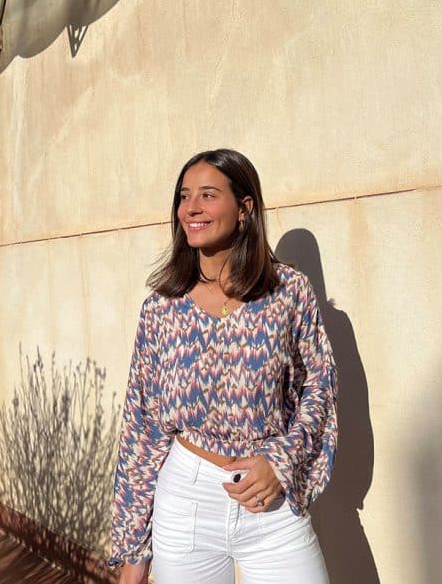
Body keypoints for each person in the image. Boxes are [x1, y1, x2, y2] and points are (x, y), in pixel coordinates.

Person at [109, 149, 338, 584]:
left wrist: (283, 461)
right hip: (187, 501)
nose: (191, 208)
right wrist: (133, 545)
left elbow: (319, 387)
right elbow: (141, 426)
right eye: (184, 196)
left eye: (208, 195)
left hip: (269, 500)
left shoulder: (289, 292)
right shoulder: (162, 308)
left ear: (245, 208)